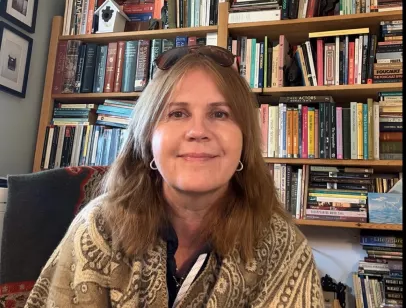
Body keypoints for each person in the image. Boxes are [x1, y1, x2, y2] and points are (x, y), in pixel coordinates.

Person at [25, 45, 324, 308]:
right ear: (147, 138)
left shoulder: (282, 246)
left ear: (244, 140)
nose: (198, 131)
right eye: (178, 114)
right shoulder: (100, 226)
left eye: (220, 114)